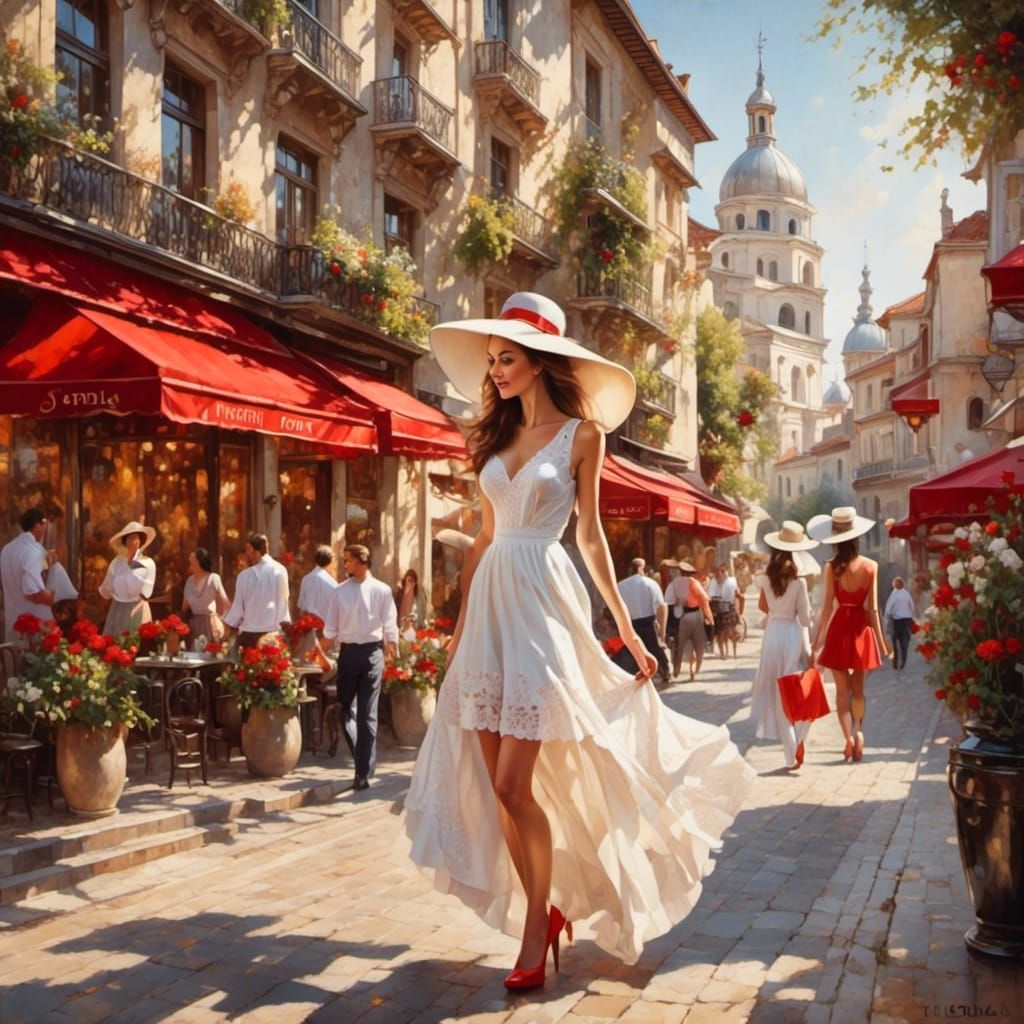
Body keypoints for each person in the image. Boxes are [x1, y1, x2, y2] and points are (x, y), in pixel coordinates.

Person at [404, 291, 753, 981]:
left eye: (509, 358)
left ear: (541, 362)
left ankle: (537, 927)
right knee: (495, 781)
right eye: (493, 359)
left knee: (511, 785)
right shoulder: (495, 441)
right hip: (492, 610)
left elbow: (590, 537)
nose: (497, 369)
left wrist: (629, 629)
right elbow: (481, 540)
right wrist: (457, 625)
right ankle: (546, 903)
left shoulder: (581, 437)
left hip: (541, 601)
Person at [808, 508, 892, 763]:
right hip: (860, 631)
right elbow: (873, 608)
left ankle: (848, 739)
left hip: (839, 630)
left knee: (841, 692)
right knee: (858, 691)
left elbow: (826, 608)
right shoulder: (871, 566)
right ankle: (859, 731)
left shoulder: (831, 567)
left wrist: (818, 639)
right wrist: (881, 643)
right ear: (857, 536)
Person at [322, 544, 398, 791]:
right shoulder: (339, 592)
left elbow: (390, 622)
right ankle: (362, 756)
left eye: (348, 561)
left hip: (372, 653)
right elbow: (330, 629)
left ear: (362, 562)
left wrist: (392, 645)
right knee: (345, 706)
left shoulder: (382, 591)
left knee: (368, 713)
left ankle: (362, 773)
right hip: (348, 654)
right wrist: (319, 651)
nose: (345, 565)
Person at [750, 522, 819, 770]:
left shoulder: (765, 579)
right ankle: (799, 736)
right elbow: (803, 619)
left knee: (778, 695)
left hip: (773, 635)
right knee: (798, 691)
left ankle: (790, 754)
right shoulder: (799, 583)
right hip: (792, 634)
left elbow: (763, 608)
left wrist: (776, 607)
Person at [222, 533, 290, 649]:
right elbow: (284, 604)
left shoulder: (244, 576)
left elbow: (238, 609)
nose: (246, 554)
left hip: (249, 634)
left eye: (247, 550)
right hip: (272, 635)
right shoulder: (280, 570)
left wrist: (226, 628)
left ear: (250, 548)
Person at [1, 508, 54, 642]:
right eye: (44, 524)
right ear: (37, 525)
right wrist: (52, 597)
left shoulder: (7, 549)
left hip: (13, 621)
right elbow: (33, 592)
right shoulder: (33, 551)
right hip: (33, 625)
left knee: (13, 661)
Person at [99, 521, 157, 636]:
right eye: (130, 538)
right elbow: (107, 587)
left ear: (141, 541)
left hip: (137, 608)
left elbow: (144, 589)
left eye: (136, 538)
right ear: (125, 542)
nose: (133, 542)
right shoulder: (117, 562)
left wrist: (131, 563)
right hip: (118, 609)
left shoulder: (148, 563)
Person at [616, 557, 669, 683]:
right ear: (641, 568)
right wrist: (662, 630)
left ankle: (637, 674)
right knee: (655, 648)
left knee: (634, 651)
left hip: (630, 623)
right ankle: (665, 672)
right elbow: (662, 606)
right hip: (648, 622)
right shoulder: (650, 583)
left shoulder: (620, 585)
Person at [664, 560, 714, 681]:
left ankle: (676, 668)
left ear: (680, 572)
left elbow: (667, 601)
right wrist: (709, 617)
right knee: (697, 642)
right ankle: (693, 669)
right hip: (694, 615)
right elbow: (705, 598)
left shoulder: (673, 584)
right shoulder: (694, 583)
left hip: (678, 618)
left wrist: (677, 602)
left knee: (679, 644)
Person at [181, 547, 230, 643]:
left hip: (210, 623)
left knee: (210, 651)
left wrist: (221, 621)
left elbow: (226, 603)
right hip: (195, 624)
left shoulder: (213, 578)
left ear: (199, 562)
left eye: (192, 561)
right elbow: (184, 607)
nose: (190, 564)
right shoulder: (189, 581)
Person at [297, 545, 338, 624]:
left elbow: (301, 608)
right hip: (325, 626)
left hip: (308, 625)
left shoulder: (306, 579)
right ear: (331, 561)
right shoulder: (332, 583)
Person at [708, 563, 741, 659]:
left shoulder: (732, 581)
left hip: (729, 607)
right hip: (718, 608)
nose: (720, 573)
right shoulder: (713, 582)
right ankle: (722, 652)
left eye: (722, 571)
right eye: (717, 571)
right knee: (720, 632)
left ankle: (734, 652)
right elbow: (710, 596)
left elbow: (737, 594)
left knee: (732, 630)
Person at [884, 576, 916, 672]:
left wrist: (886, 620)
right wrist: (911, 617)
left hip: (897, 621)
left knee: (895, 642)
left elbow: (888, 608)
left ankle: (896, 661)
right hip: (906, 620)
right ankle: (903, 661)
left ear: (895, 585)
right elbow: (912, 606)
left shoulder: (894, 594)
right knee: (904, 642)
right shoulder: (907, 594)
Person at [394, 568, 421, 633]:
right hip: (401, 626)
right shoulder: (400, 594)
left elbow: (418, 614)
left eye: (412, 581)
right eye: (409, 580)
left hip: (412, 628)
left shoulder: (417, 597)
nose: (410, 583)